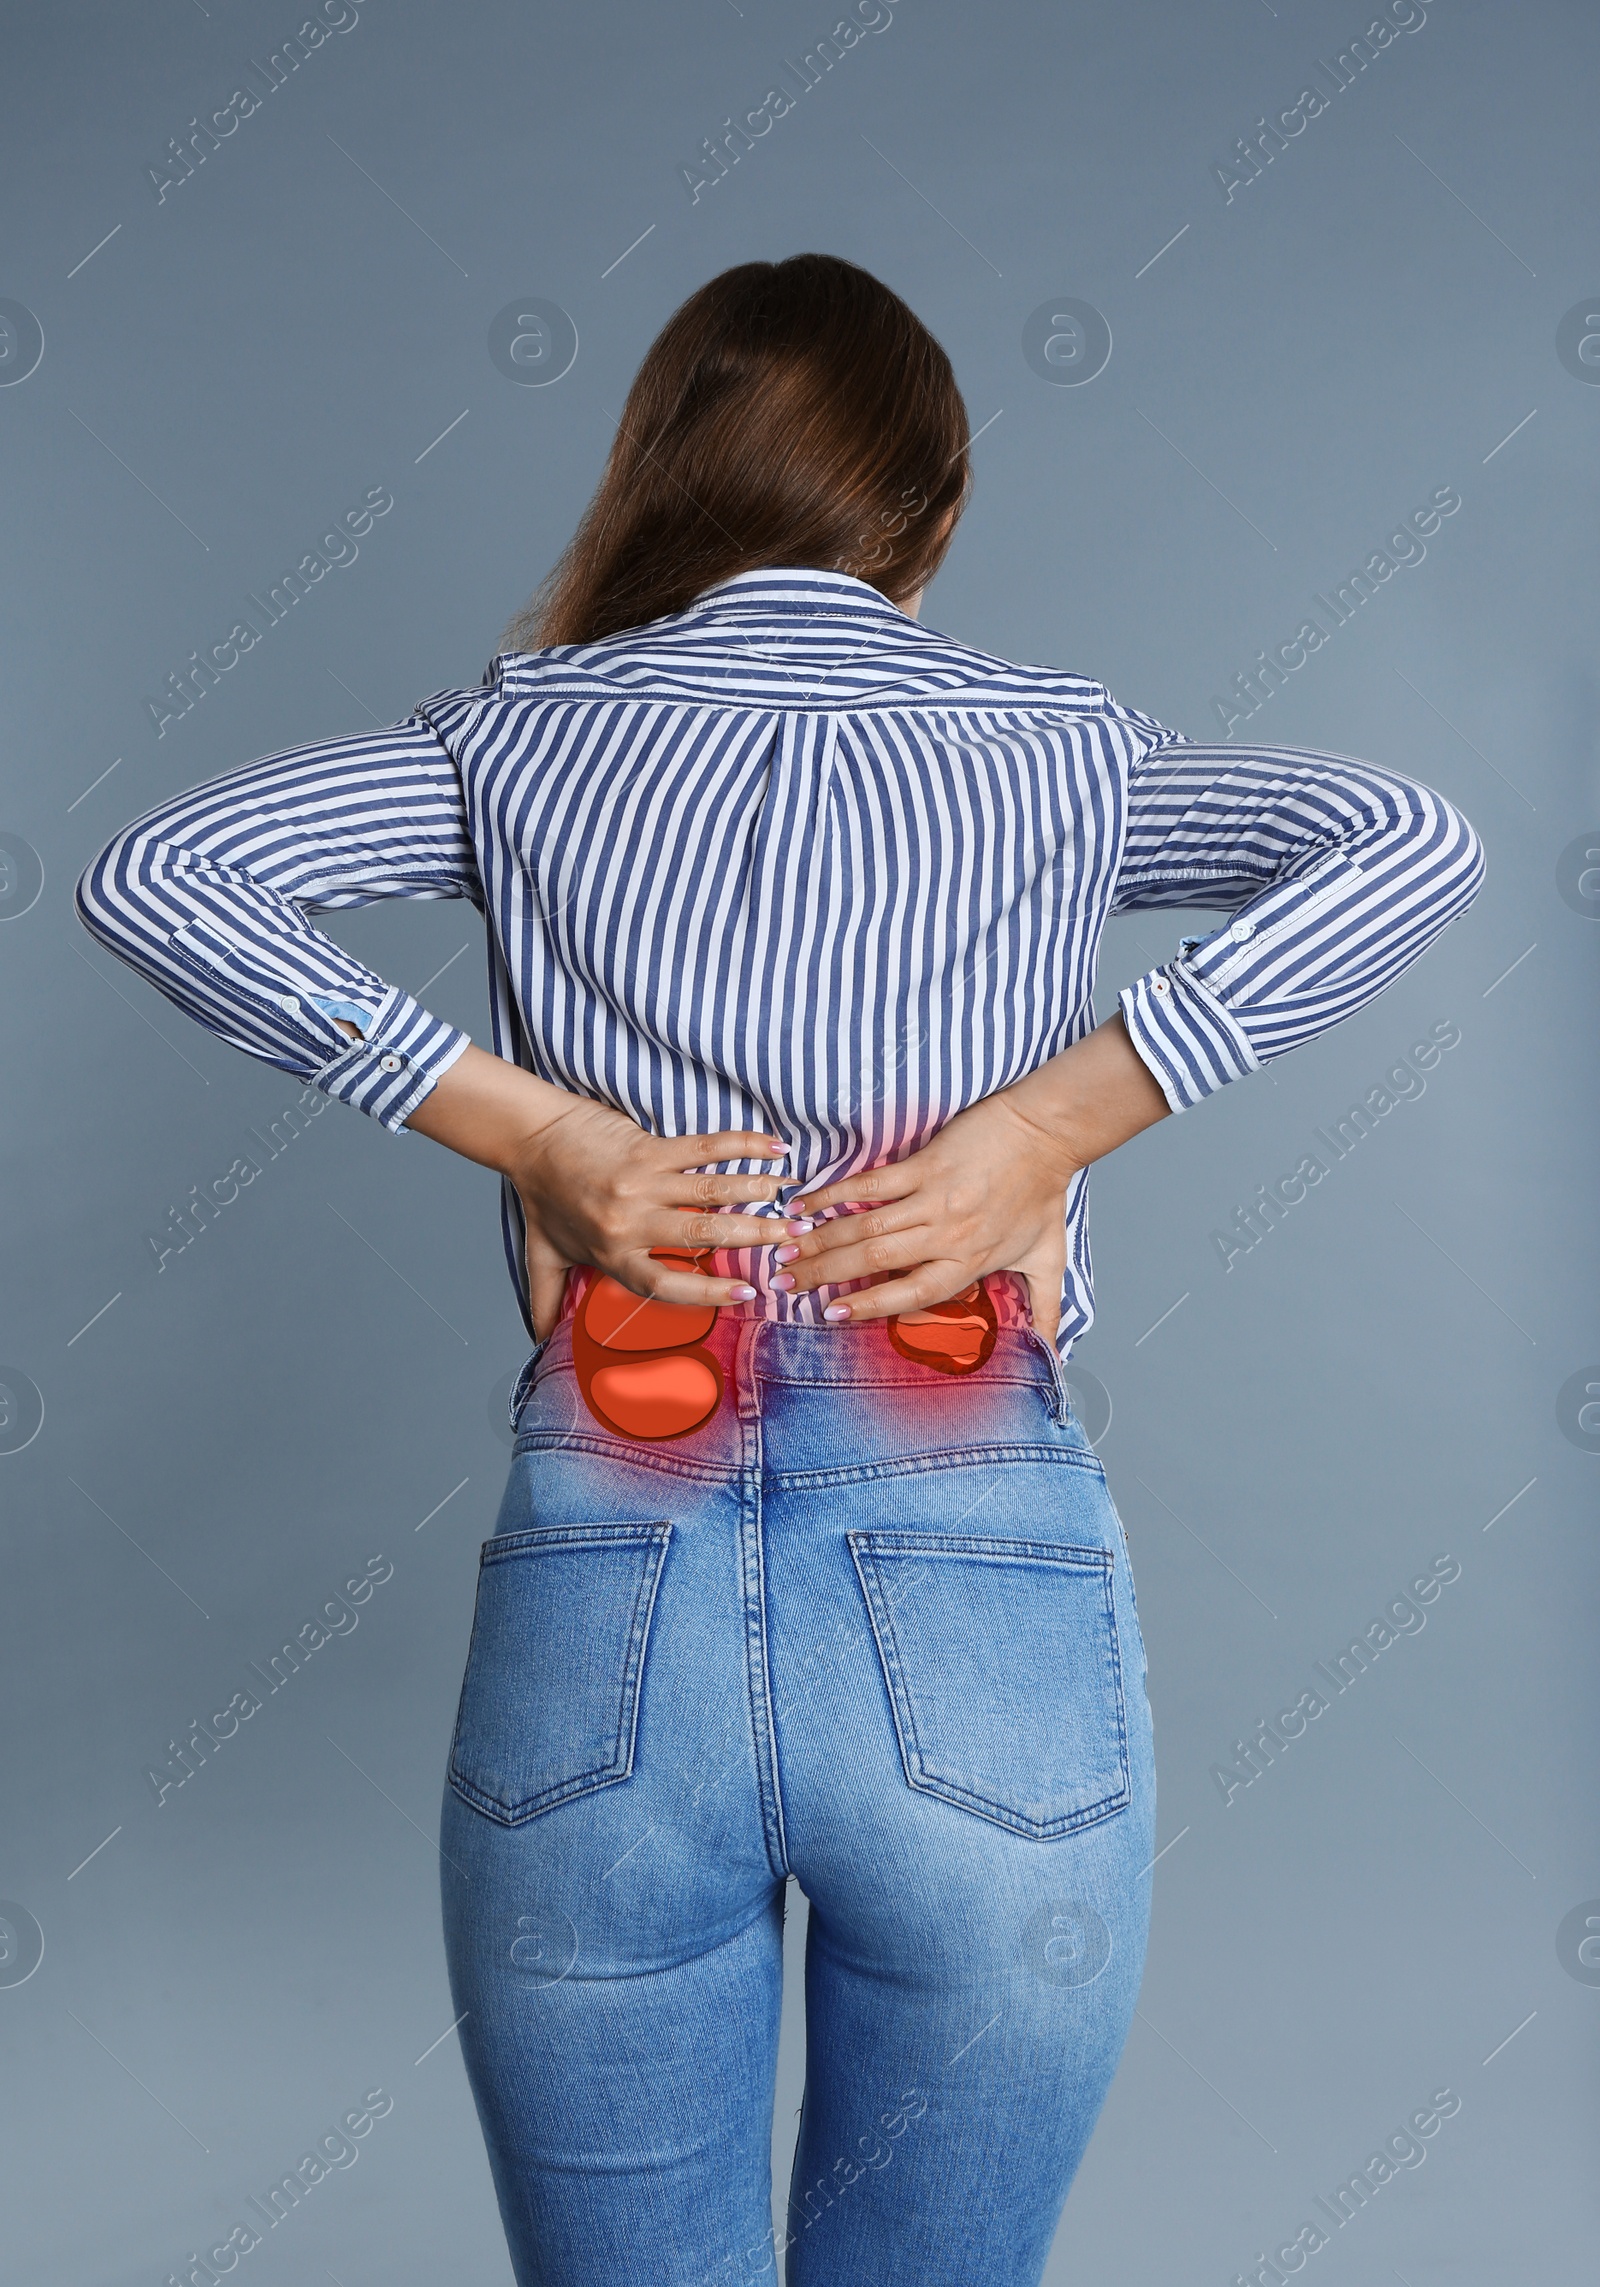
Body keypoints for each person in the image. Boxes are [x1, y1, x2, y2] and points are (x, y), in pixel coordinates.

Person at [77, 253, 1484, 2287]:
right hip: (977, 1578)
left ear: (656, 474)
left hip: (606, 1589)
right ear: (925, 505)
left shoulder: (523, 736)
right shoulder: (1050, 743)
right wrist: (1043, 1126)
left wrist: (541, 1130)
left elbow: (161, 875)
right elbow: (1407, 838)